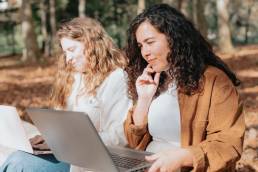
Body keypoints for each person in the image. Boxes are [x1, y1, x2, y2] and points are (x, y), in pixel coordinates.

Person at [124, 4, 245, 172]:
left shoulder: (214, 80)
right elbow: (133, 143)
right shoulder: (156, 80)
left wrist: (183, 157)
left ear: (174, 38)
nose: (145, 52)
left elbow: (228, 144)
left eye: (150, 42)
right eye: (140, 46)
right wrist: (144, 100)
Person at [1, 17, 132, 172]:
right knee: (17, 157)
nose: (68, 58)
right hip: (67, 153)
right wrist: (50, 138)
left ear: (92, 44)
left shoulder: (117, 78)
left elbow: (120, 136)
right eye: (65, 52)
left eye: (72, 50)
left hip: (96, 161)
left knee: (18, 163)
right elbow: (64, 124)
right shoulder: (75, 77)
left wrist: (66, 142)